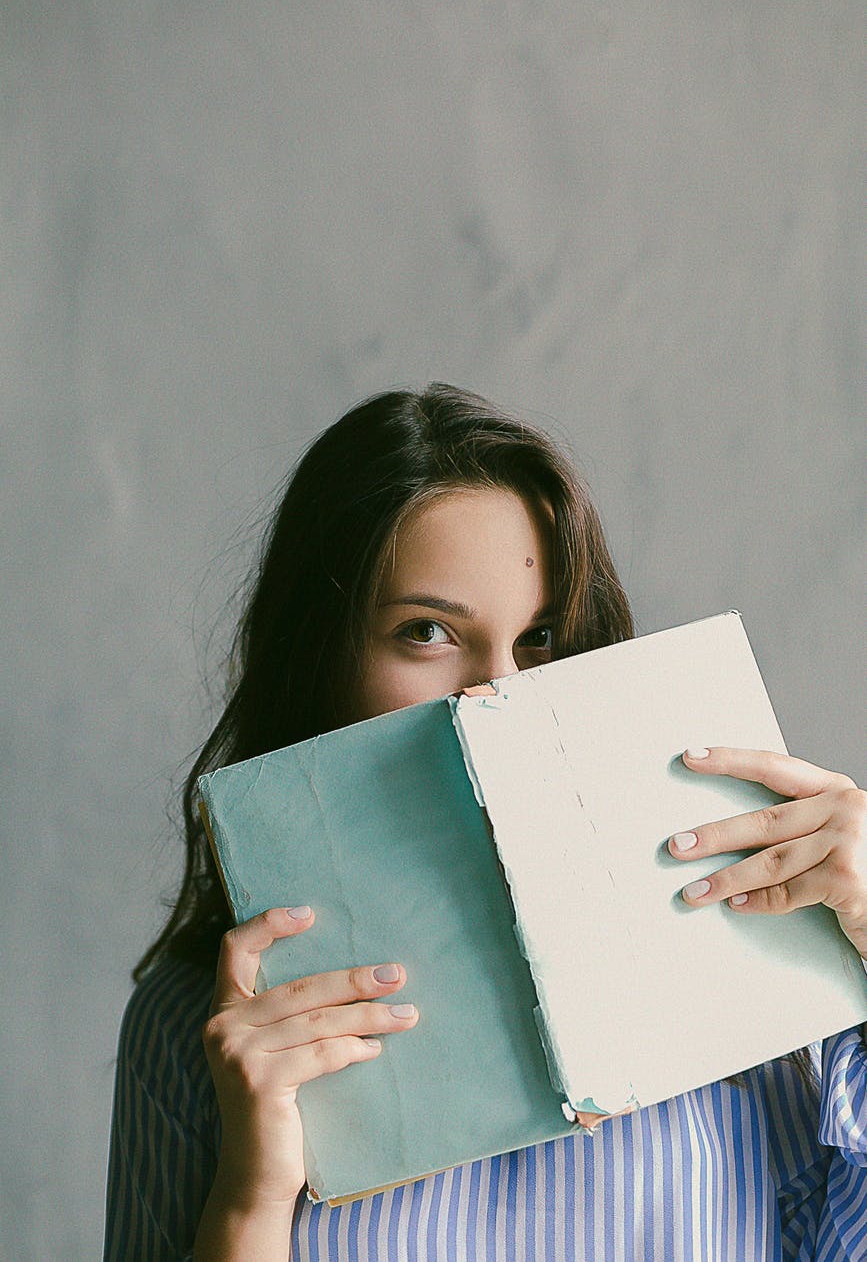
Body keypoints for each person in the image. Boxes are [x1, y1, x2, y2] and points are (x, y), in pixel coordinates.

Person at [104, 383, 867, 1260]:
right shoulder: (198, 1023)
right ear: (323, 651)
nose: (497, 691)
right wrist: (254, 1197)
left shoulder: (752, 953)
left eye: (541, 637)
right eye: (426, 631)